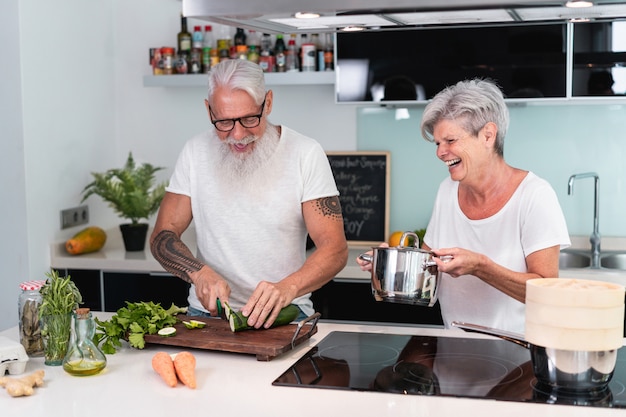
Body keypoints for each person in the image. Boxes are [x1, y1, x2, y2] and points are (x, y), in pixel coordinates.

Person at [357, 78, 570, 334]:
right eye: (437, 143)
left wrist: (481, 267)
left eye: (450, 140)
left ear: (488, 135)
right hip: (455, 351)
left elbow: (548, 293)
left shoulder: (534, 195)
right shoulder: (447, 191)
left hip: (519, 357)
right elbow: (428, 269)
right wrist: (390, 262)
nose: (440, 152)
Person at [150, 59, 348, 328]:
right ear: (209, 111)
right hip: (208, 316)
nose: (238, 134)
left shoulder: (305, 153)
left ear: (268, 103)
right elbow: (163, 235)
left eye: (249, 119)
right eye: (224, 122)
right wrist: (198, 273)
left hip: (286, 315)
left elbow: (335, 249)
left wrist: (287, 288)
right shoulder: (194, 152)